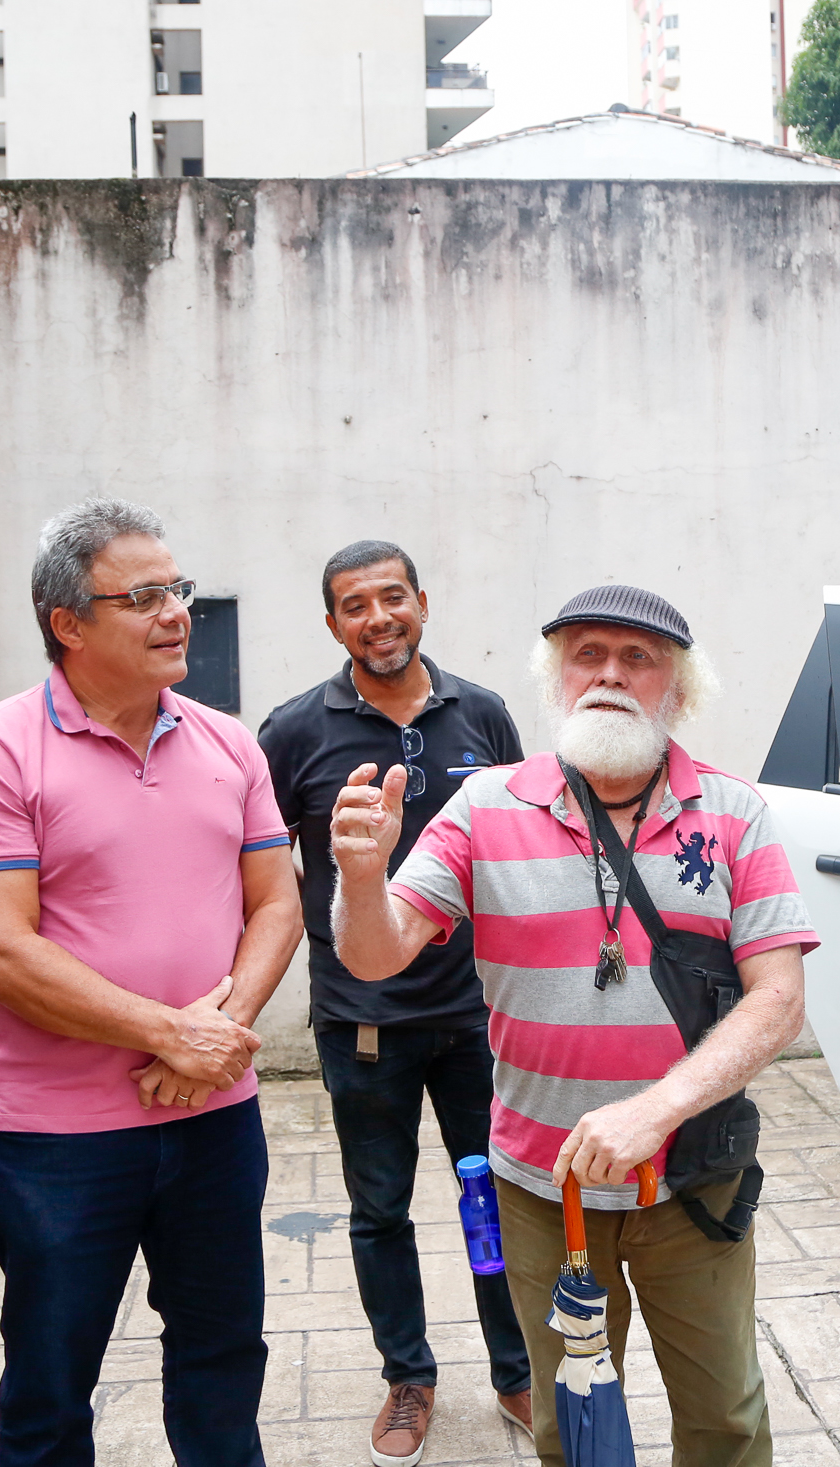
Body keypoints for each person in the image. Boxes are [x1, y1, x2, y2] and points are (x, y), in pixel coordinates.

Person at [329, 584, 816, 1467]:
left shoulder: (736, 812)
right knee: (569, 1426)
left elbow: (778, 1000)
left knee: (726, 1418)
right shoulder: (484, 807)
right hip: (543, 1189)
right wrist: (361, 876)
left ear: (680, 686)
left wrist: (655, 1110)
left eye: (639, 657)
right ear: (556, 675)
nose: (609, 675)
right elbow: (375, 954)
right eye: (587, 653)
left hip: (693, 1179)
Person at [0, 497, 302, 1467]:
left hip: (217, 1118)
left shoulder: (228, 742)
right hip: (59, 1146)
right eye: (142, 597)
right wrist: (167, 1033)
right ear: (68, 625)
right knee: (51, 1388)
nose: (176, 611)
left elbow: (276, 906)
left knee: (224, 1366)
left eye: (176, 589)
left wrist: (216, 1033)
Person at [257, 540, 531, 1466]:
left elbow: (526, 847)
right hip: (363, 1022)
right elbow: (263, 877)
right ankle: (407, 1375)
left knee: (497, 1196)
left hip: (477, 1018)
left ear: (422, 601)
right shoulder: (292, 732)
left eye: (392, 597)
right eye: (354, 605)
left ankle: (516, 1367)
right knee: (379, 1209)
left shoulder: (483, 715)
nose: (378, 617)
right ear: (332, 624)